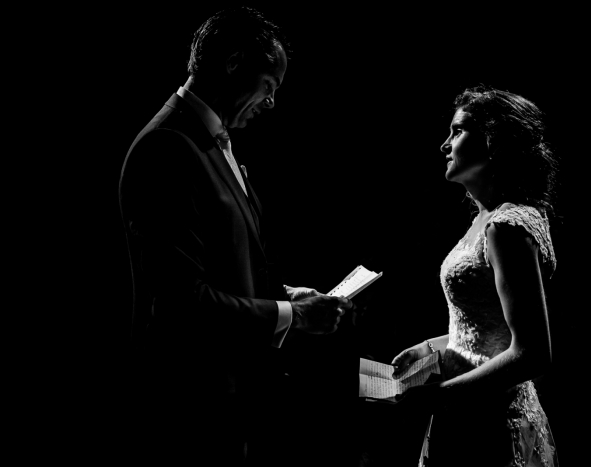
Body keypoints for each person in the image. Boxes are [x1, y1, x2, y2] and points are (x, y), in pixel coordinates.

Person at [118, 7, 354, 465]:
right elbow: (181, 302)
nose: (271, 104)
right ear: (233, 64)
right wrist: (294, 316)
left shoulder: (210, 142)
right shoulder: (167, 147)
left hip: (230, 404)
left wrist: (285, 293)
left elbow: (224, 267)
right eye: (268, 86)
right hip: (190, 409)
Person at [391, 85, 560, 466]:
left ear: (493, 141)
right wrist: (430, 347)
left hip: (492, 422)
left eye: (458, 131)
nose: (444, 145)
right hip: (466, 408)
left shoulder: (507, 227)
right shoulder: (485, 220)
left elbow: (533, 353)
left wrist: (439, 394)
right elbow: (490, 327)